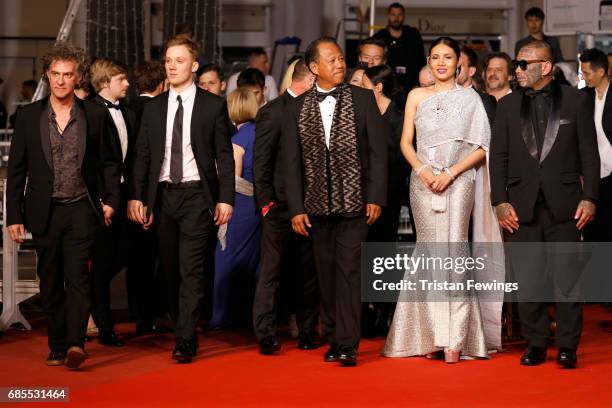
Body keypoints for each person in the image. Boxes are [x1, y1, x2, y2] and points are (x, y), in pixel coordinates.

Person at [382, 36, 503, 363]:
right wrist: (422, 170)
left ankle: (455, 338)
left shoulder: (471, 99)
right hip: (422, 183)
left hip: (458, 181)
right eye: (435, 56)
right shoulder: (416, 96)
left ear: (458, 64)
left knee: (454, 251)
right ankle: (432, 336)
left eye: (447, 57)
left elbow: (482, 147)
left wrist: (450, 173)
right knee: (429, 253)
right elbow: (406, 142)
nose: (440, 63)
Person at [6, 43, 121, 369]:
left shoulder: (95, 115)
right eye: (55, 74)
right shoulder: (28, 117)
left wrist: (111, 200)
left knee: (78, 278)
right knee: (51, 279)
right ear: (47, 75)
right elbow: (17, 170)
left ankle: (75, 343)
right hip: (44, 210)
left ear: (77, 77)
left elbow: (111, 162)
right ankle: (57, 344)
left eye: (67, 75)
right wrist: (14, 214)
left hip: (81, 208)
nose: (60, 81)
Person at [490, 40, 599, 369]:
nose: (517, 70)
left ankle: (567, 346)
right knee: (528, 279)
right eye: (516, 63)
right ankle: (535, 343)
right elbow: (498, 158)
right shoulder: (507, 105)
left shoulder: (577, 101)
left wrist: (590, 197)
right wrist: (499, 201)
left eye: (523, 64)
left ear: (546, 67)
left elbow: (589, 155)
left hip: (566, 205)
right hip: (521, 206)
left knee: (567, 279)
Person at [128, 36, 234, 364]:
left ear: (194, 65)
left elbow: (223, 156)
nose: (172, 66)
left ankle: (185, 338)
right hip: (162, 196)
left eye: (179, 60)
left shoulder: (212, 105)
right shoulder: (154, 107)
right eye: (168, 61)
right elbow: (142, 156)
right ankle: (181, 321)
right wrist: (137, 197)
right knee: (170, 270)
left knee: (192, 268)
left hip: (196, 196)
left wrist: (226, 198)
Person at [282, 36, 387, 366]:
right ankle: (332, 334)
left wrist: (375, 196)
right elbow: (292, 163)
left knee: (349, 273)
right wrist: (296, 207)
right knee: (325, 275)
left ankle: (347, 343)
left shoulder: (363, 99)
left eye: (341, 58)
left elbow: (378, 153)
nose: (340, 64)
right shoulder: (296, 107)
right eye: (332, 60)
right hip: (316, 207)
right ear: (314, 68)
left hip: (356, 205)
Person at [252, 58, 319, 354]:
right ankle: (265, 333)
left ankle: (307, 331)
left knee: (307, 273)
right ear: (308, 80)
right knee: (272, 272)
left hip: (311, 207)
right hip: (278, 207)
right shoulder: (273, 111)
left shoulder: (316, 110)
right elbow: (261, 164)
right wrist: (265, 204)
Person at [89, 58, 135, 347]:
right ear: (105, 83)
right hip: (103, 200)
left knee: (125, 254)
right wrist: (102, 201)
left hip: (125, 197)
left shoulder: (129, 113)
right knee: (102, 262)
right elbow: (92, 164)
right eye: (122, 79)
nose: (127, 83)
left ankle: (92, 307)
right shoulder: (89, 112)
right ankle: (103, 325)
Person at [208, 89, 261, 329]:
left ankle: (223, 316)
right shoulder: (260, 133)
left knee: (226, 258)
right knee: (251, 261)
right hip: (257, 207)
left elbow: (233, 178)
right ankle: (245, 314)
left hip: (239, 206)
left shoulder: (238, 140)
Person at [580, 49, 612, 252]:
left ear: (601, 71)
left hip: (611, 175)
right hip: (591, 176)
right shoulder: (582, 98)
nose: (584, 77)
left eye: (587, 73)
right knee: (593, 233)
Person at [373, 2, 425, 93]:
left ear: (403, 16)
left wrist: (419, 83)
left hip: (412, 86)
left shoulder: (413, 35)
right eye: (393, 14)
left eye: (399, 14)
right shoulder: (380, 37)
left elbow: (421, 60)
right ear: (388, 16)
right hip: (387, 87)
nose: (396, 18)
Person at [457, 46, 497, 127]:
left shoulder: (484, 102)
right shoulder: (439, 98)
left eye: (459, 66)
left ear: (471, 71)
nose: (454, 70)